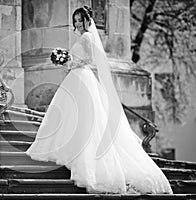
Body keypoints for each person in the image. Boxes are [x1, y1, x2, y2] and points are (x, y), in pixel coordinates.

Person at [25, 6, 173, 194]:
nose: (78, 23)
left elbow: (88, 60)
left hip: (81, 77)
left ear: (88, 21)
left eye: (81, 20)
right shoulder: (85, 38)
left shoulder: (87, 37)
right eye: (76, 20)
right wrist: (65, 62)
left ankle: (83, 157)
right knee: (73, 114)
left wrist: (67, 61)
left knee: (83, 117)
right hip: (77, 77)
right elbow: (79, 61)